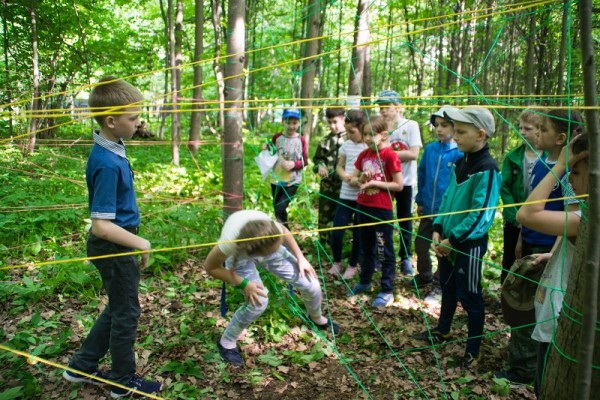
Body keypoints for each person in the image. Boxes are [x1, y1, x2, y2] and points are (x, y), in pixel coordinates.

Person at [62, 77, 162, 398]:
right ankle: (122, 379)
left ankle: (82, 366)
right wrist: (141, 243)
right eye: (133, 118)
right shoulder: (105, 163)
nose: (138, 122)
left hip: (119, 243)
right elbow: (101, 225)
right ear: (111, 121)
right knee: (127, 312)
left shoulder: (113, 148)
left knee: (118, 308)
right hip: (113, 246)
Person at [495, 109, 582, 385]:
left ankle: (528, 370)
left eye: (542, 129)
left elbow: (569, 217)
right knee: (525, 305)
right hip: (537, 243)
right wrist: (522, 236)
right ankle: (525, 366)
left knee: (539, 312)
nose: (535, 133)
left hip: (552, 251)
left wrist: (552, 252)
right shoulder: (544, 162)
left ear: (561, 138)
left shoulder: (570, 175)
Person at [413, 107, 501, 369]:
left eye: (461, 131)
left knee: (470, 295)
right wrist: (439, 229)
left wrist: (453, 240)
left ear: (481, 134)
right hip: (447, 242)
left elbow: (480, 214)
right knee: (448, 288)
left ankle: (473, 353)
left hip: (467, 246)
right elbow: (448, 198)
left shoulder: (487, 168)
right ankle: (443, 330)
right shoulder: (461, 161)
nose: (456, 136)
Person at [204, 209, 340, 367]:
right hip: (240, 254)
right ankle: (227, 341)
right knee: (258, 302)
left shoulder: (269, 230)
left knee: (311, 283)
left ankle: (315, 317)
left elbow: (285, 232)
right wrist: (244, 283)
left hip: (264, 244)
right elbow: (210, 267)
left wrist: (300, 257)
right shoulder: (230, 244)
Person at [516, 132, 588, 396]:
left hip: (561, 322)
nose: (570, 178)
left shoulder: (585, 220)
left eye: (576, 171)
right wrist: (553, 255)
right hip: (564, 317)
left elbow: (527, 213)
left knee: (546, 387)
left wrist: (559, 165)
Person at [348, 115, 403, 308]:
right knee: (365, 248)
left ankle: (387, 290)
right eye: (365, 135)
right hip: (362, 206)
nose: (368, 139)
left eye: (372, 135)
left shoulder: (390, 155)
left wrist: (374, 183)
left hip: (381, 210)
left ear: (383, 135)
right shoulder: (363, 155)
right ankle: (365, 281)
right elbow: (352, 180)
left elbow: (399, 185)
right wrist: (362, 178)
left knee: (383, 250)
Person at [409, 105, 463, 293]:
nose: (439, 129)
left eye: (445, 125)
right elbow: (422, 174)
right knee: (421, 244)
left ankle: (441, 281)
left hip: (445, 212)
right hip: (428, 209)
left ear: (456, 127)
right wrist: (420, 200)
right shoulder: (431, 149)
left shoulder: (459, 153)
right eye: (437, 125)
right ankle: (424, 275)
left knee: (442, 247)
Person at [377, 90, 422, 276]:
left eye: (387, 107)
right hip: (384, 182)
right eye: (381, 107)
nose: (383, 111)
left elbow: (413, 154)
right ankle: (382, 256)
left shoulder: (410, 126)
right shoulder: (379, 128)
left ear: (398, 107)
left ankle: (405, 258)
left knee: (405, 220)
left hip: (406, 181)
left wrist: (387, 154)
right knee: (382, 220)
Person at [499, 109, 544, 284]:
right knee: (510, 258)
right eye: (520, 127)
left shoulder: (549, 157)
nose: (522, 132)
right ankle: (506, 294)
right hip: (514, 220)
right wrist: (515, 216)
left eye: (528, 128)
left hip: (538, 219)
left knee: (532, 258)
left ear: (540, 130)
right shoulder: (513, 157)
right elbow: (505, 188)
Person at [329, 110, 368, 279]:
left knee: (358, 233)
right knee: (337, 230)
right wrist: (344, 175)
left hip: (362, 196)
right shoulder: (347, 145)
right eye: (348, 131)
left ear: (361, 128)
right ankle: (337, 262)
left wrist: (359, 180)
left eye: (352, 132)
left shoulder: (368, 146)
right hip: (345, 195)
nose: (350, 135)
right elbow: (339, 166)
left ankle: (353, 265)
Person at [312, 106, 347, 247]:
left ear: (343, 119)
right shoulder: (324, 141)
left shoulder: (351, 138)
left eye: (335, 122)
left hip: (345, 185)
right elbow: (317, 160)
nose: (333, 126)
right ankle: (324, 245)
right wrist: (319, 166)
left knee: (344, 215)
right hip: (327, 186)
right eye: (329, 122)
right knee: (325, 215)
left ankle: (343, 244)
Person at [270, 108, 308, 230]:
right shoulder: (277, 138)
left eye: (294, 123)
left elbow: (305, 161)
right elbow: (271, 153)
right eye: (288, 122)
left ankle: (286, 239)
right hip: (276, 179)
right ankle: (281, 236)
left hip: (292, 181)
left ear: (299, 123)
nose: (291, 126)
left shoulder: (300, 140)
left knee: (281, 207)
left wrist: (294, 164)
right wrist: (267, 147)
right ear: (283, 122)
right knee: (277, 208)